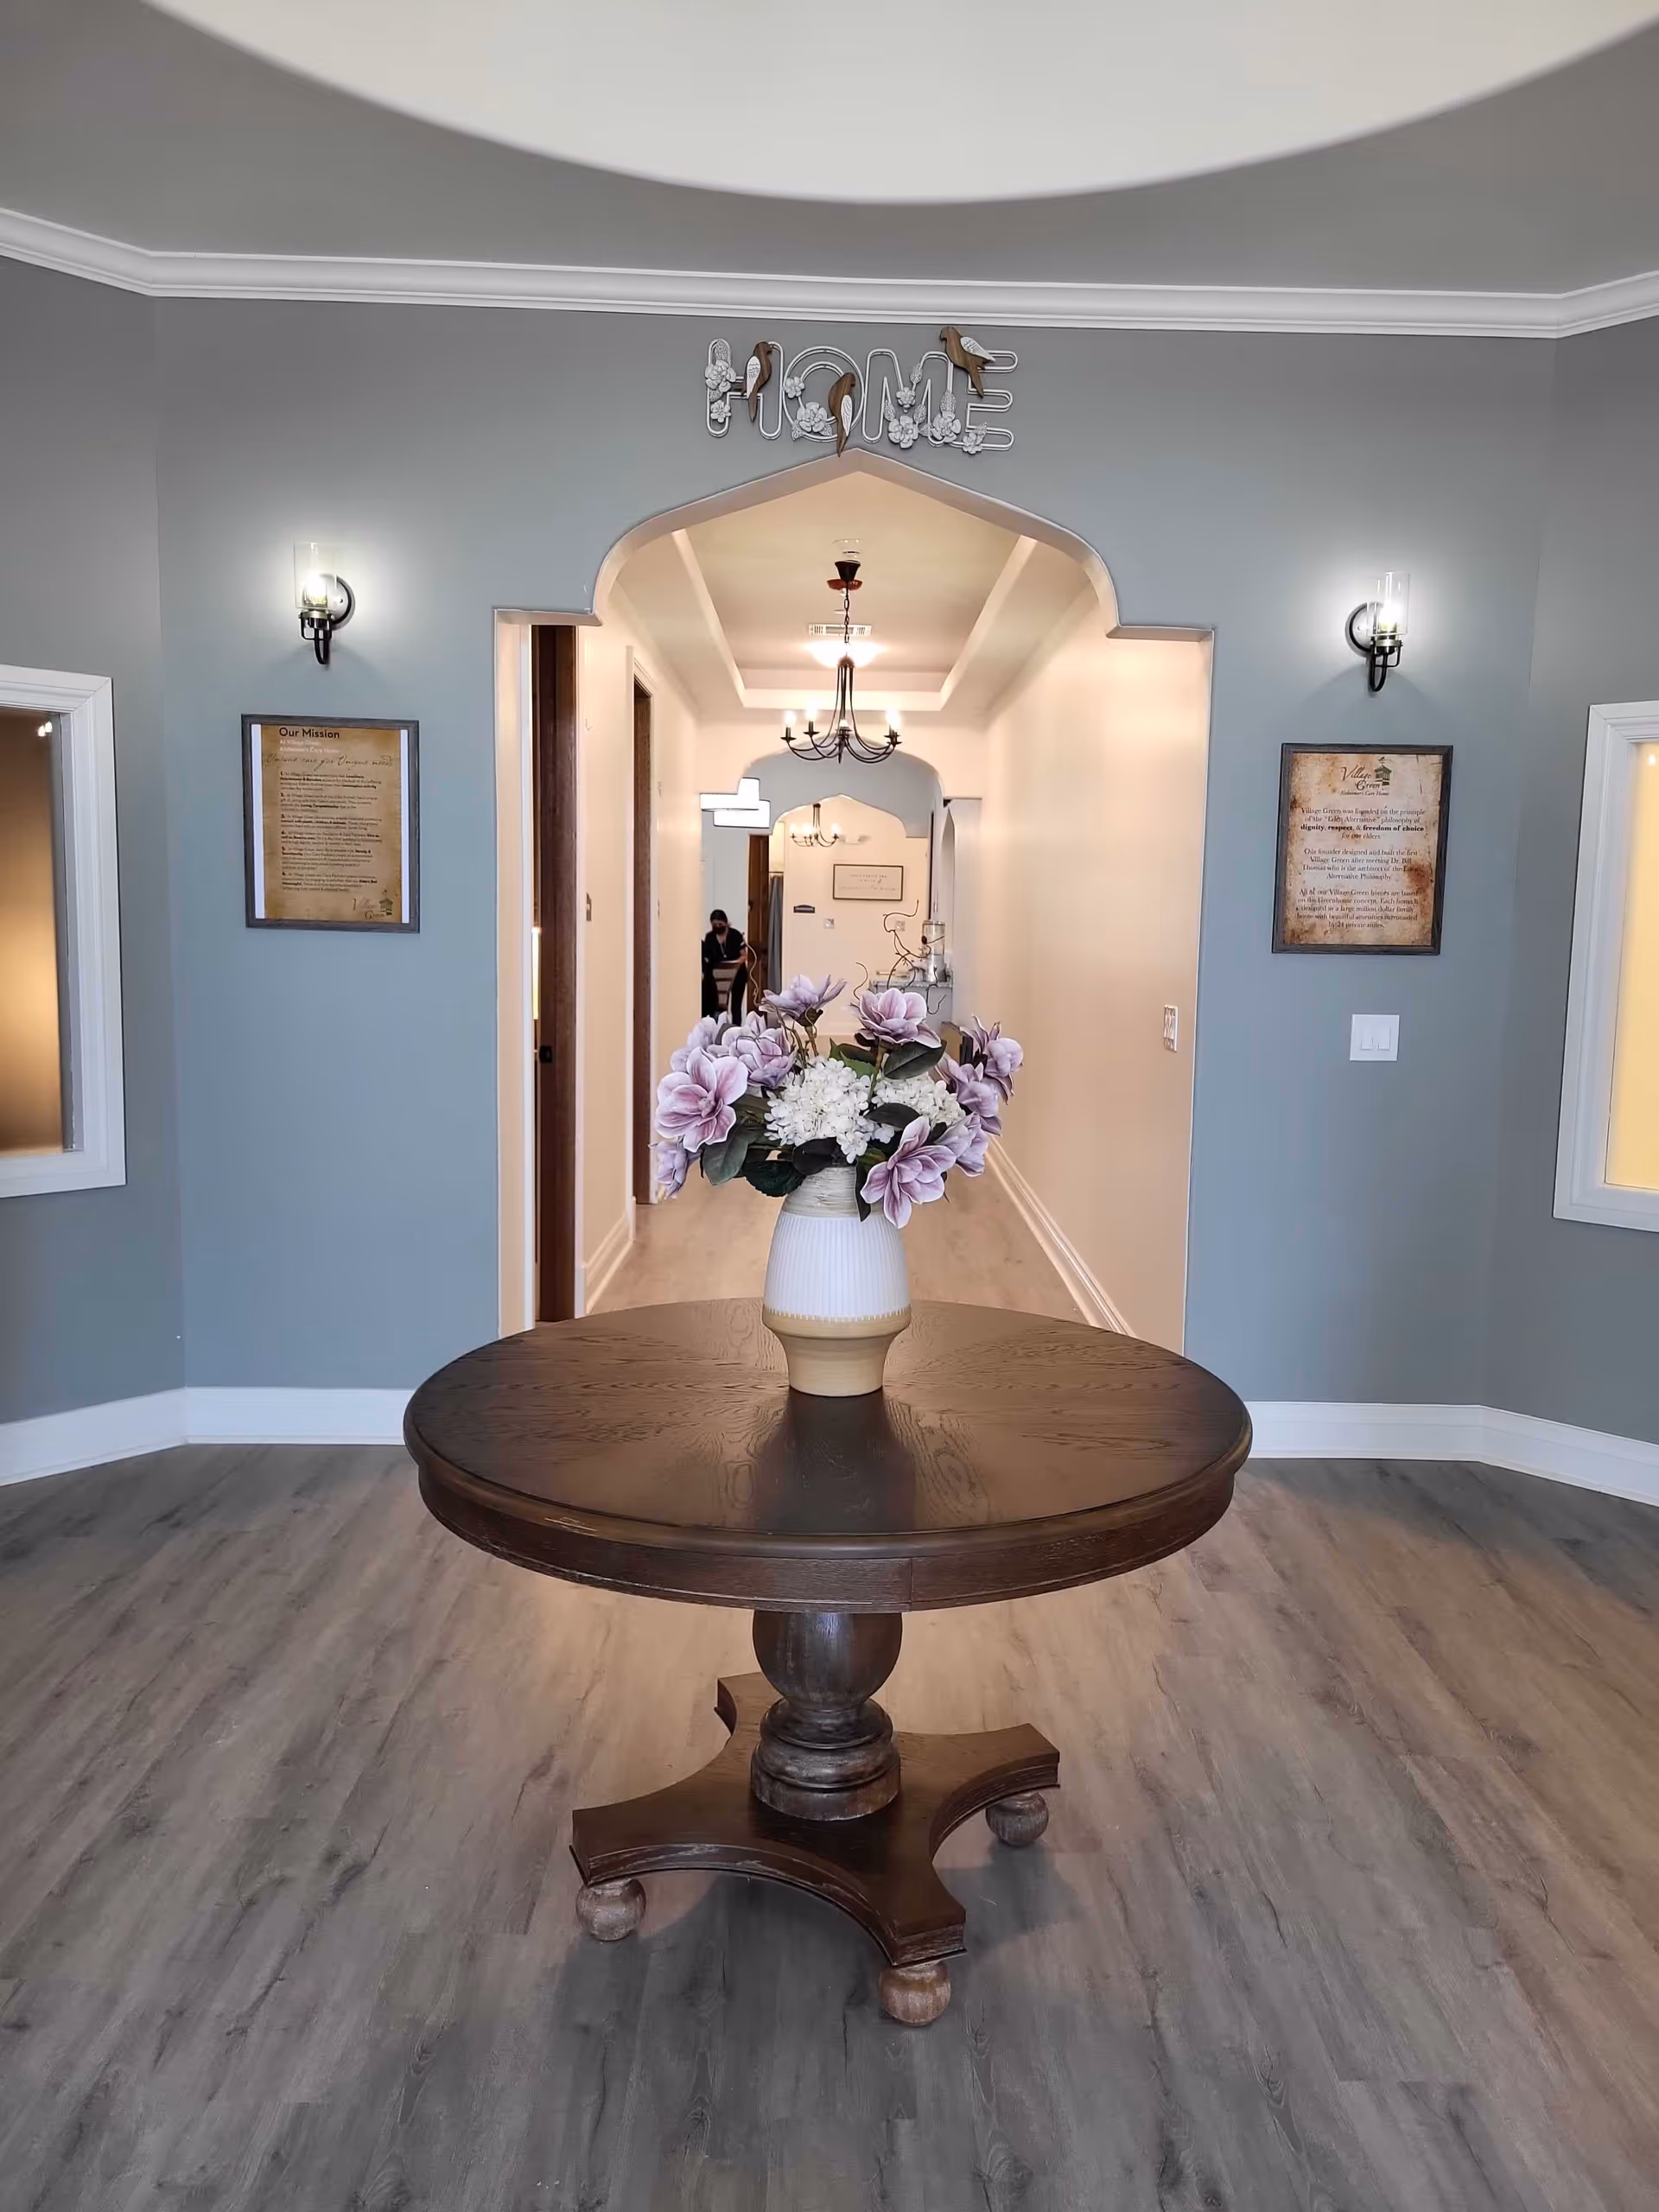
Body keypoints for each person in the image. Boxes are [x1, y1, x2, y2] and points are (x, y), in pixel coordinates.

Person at [701, 908, 748, 1020]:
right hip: (717, 976)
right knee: (717, 1005)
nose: (717, 927)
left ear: (726, 923)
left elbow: (744, 955)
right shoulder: (710, 937)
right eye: (714, 924)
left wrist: (733, 964)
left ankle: (736, 1030)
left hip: (737, 974)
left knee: (736, 1006)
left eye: (720, 924)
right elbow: (706, 957)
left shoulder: (735, 935)